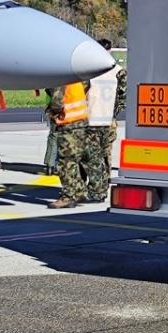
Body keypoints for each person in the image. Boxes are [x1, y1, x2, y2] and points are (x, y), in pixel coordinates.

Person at [84, 39, 125, 203]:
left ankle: (95, 189)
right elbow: (123, 97)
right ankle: (104, 184)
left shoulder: (88, 71)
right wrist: (114, 113)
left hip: (92, 118)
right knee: (106, 154)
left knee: (91, 157)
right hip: (109, 120)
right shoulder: (119, 71)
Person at [48, 78, 91, 209]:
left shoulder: (60, 77)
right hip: (81, 121)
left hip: (68, 123)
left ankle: (68, 197)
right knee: (76, 160)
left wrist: (52, 113)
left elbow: (57, 102)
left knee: (65, 162)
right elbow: (86, 85)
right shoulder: (78, 76)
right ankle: (79, 191)